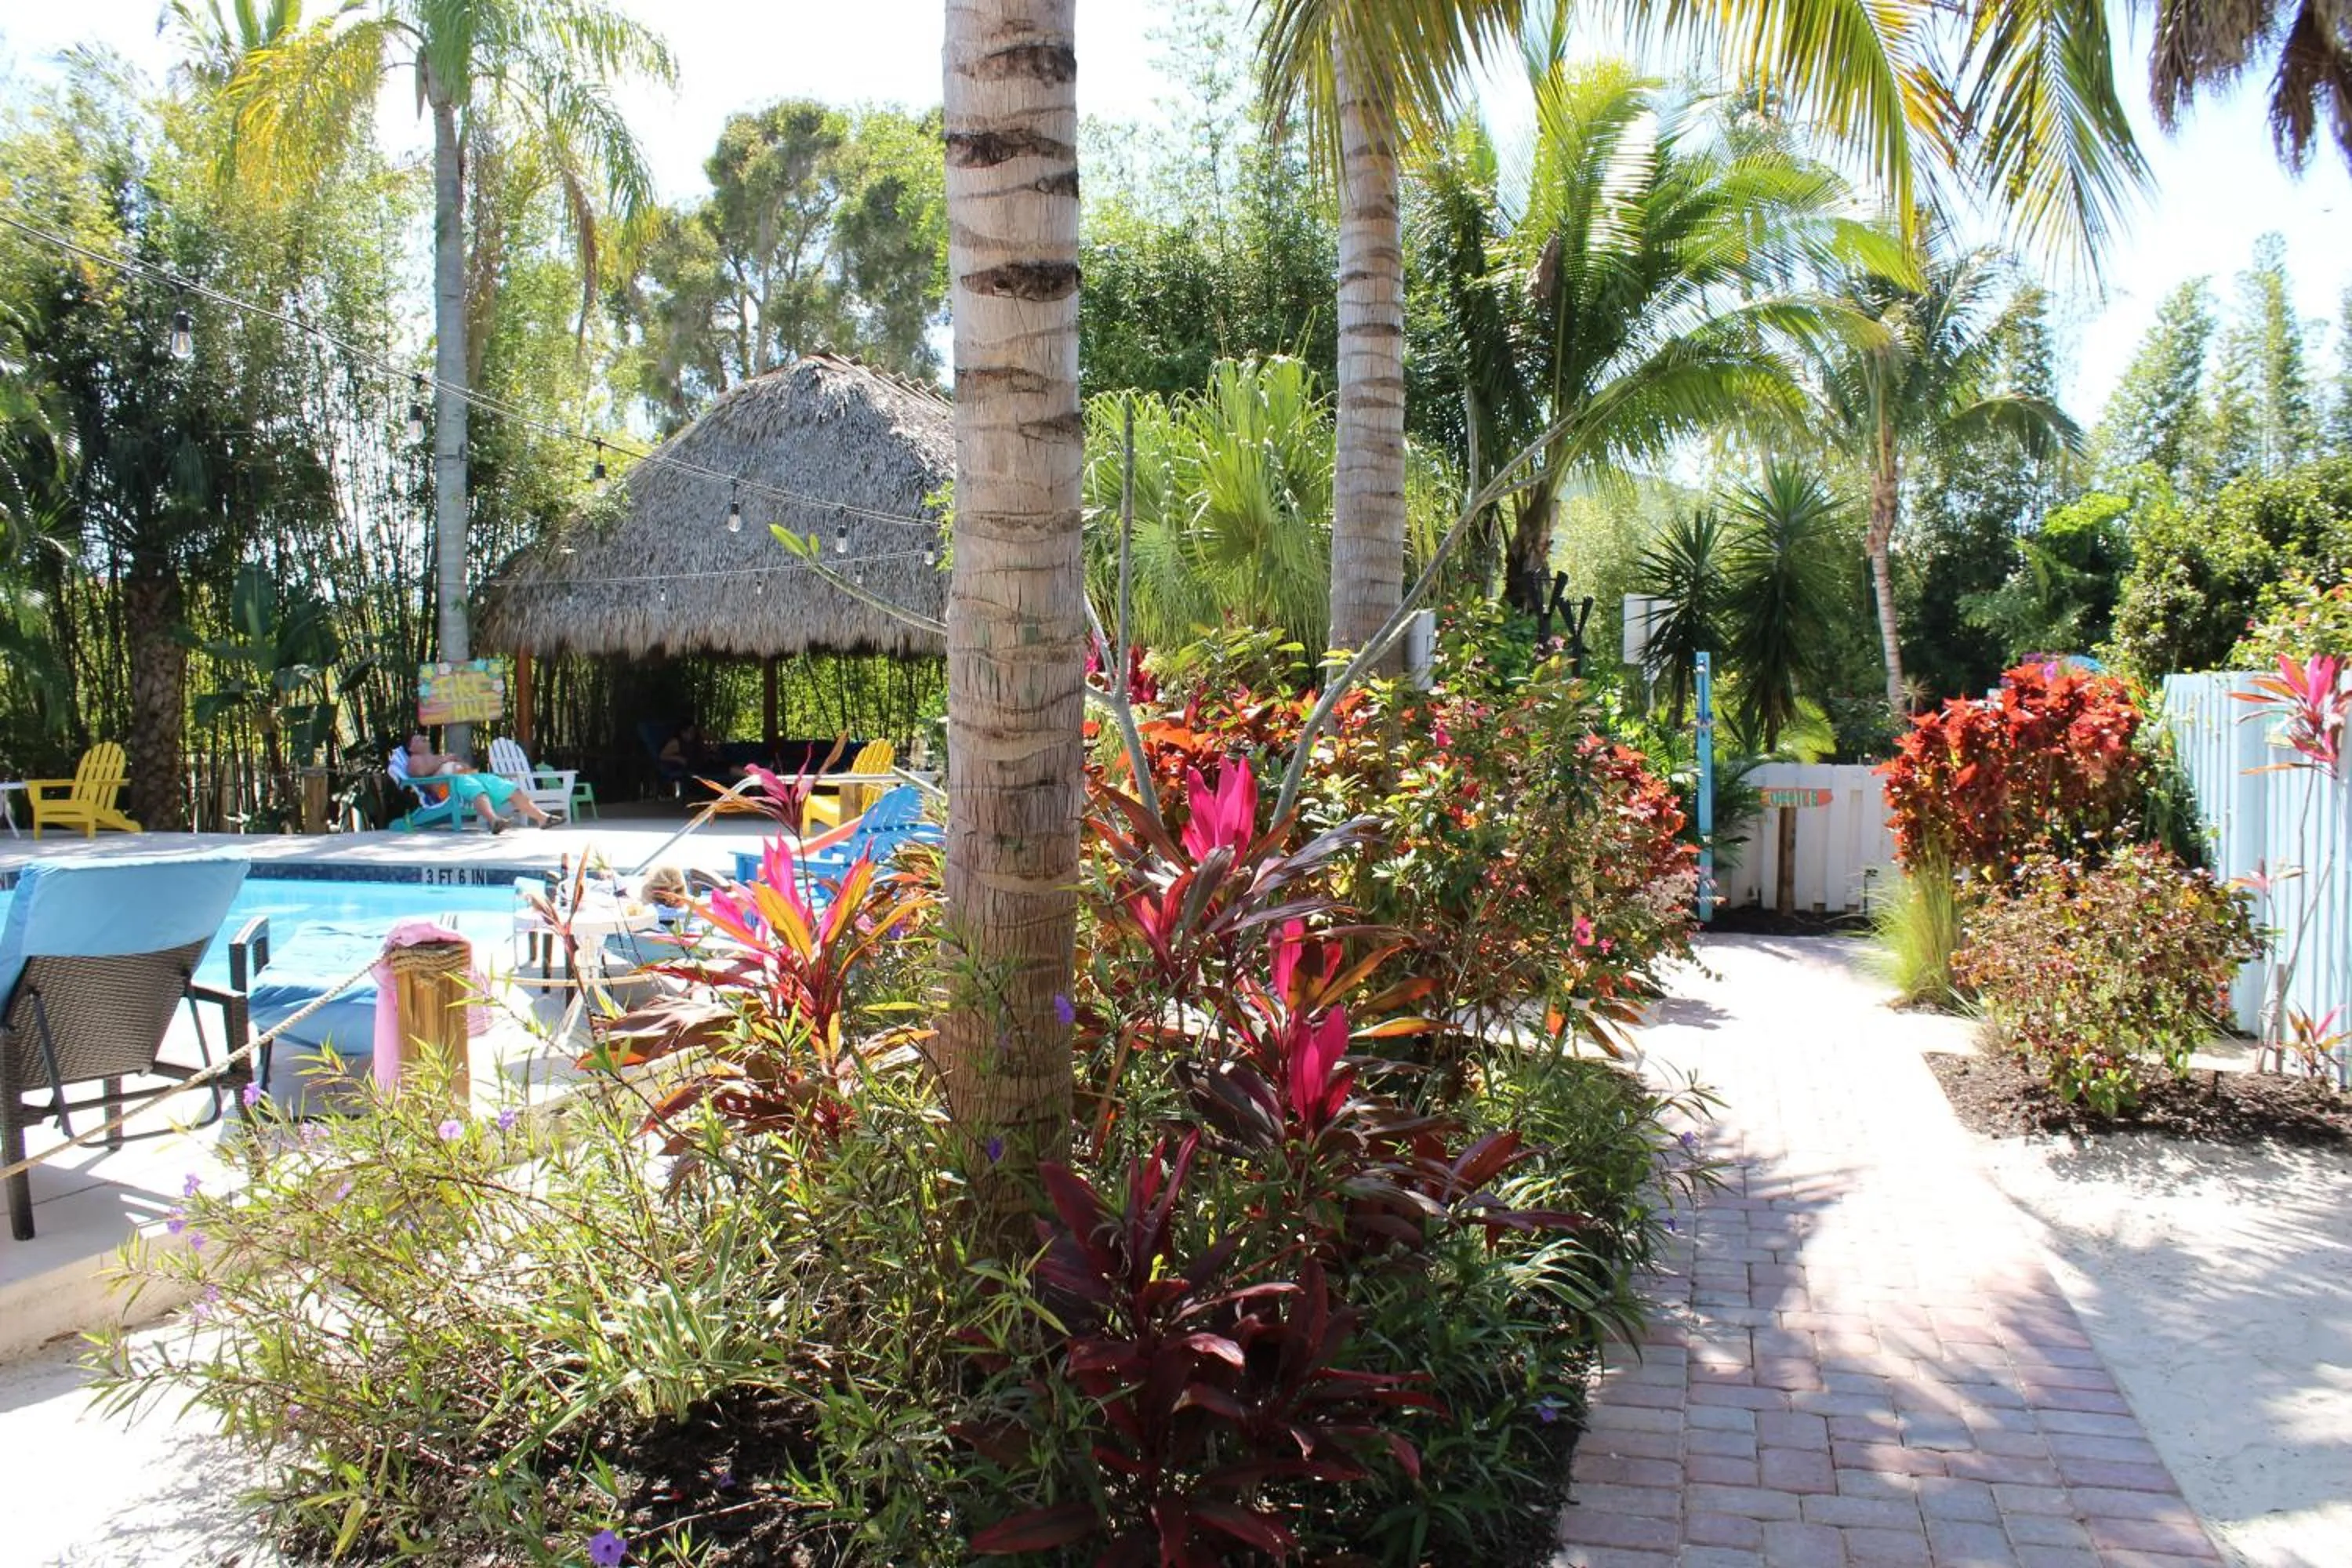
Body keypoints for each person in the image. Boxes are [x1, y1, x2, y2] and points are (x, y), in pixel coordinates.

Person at [391, 734, 554, 833]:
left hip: (465, 778)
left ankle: (542, 818)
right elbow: (419, 774)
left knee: (507, 787)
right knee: (475, 788)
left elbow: (463, 768)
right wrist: (445, 760)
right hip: (446, 789)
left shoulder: (436, 756)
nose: (423, 738)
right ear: (411, 748)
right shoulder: (414, 760)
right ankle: (494, 820)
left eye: (423, 737)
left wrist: (459, 765)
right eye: (418, 739)